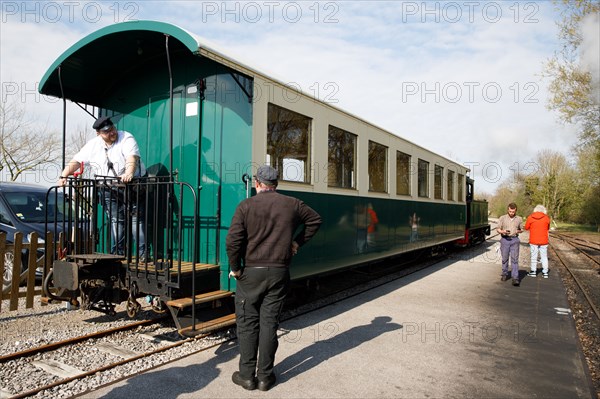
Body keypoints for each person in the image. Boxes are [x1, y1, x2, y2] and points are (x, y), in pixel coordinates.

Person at [226, 165, 322, 392]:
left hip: (251, 272)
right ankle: (265, 378)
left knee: (248, 323)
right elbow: (315, 220)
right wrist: (297, 242)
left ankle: (247, 376)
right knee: (269, 324)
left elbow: (233, 241)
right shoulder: (292, 204)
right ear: (276, 184)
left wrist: (236, 268)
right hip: (279, 272)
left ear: (257, 183)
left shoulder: (246, 206)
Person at [58, 116, 147, 260]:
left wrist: (129, 173)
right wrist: (63, 175)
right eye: (107, 131)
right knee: (116, 220)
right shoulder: (93, 145)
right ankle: (117, 254)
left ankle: (143, 254)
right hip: (107, 187)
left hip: (133, 185)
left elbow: (132, 158)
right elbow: (76, 161)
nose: (112, 133)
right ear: (99, 134)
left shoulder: (126, 137)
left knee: (137, 220)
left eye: (112, 129)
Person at [496, 202, 523, 286]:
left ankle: (515, 278)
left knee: (515, 259)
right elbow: (498, 229)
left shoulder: (519, 219)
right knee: (504, 258)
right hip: (505, 240)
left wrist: (517, 231)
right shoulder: (502, 218)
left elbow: (521, 229)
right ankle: (504, 273)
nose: (511, 213)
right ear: (508, 210)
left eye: (513, 212)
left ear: (516, 211)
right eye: (510, 211)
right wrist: (503, 231)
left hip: (515, 240)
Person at [525, 204, 551, 278]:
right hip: (544, 240)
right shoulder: (546, 218)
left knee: (534, 256)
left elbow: (526, 227)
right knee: (544, 257)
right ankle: (545, 273)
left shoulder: (530, 217)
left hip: (533, 240)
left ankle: (533, 271)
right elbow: (548, 228)